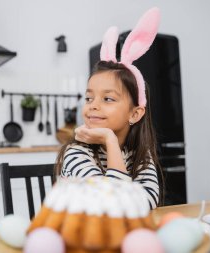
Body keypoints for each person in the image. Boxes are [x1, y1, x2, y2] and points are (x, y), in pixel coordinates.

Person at [54, 7, 163, 209]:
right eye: (89, 98)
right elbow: (111, 206)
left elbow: (146, 203)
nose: (93, 106)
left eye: (108, 99)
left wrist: (110, 142)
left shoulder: (140, 153)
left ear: (135, 113)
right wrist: (111, 140)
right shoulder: (76, 153)